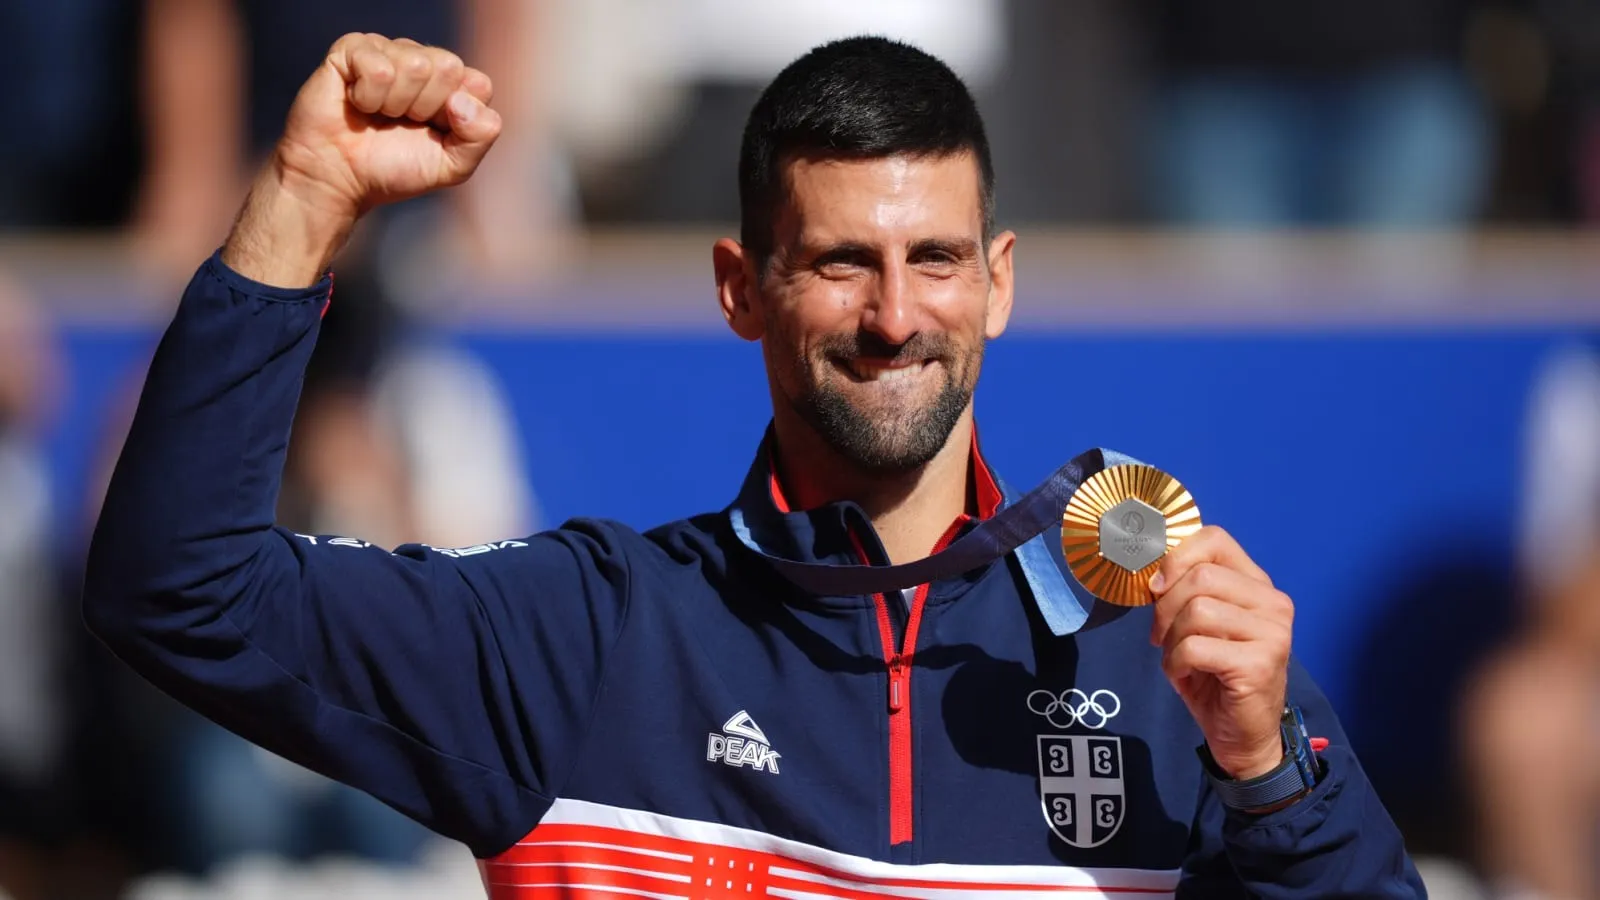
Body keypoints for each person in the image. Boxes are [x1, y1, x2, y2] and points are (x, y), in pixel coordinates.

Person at [82, 32, 1424, 897]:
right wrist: (300, 209)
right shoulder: (588, 637)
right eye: (843, 263)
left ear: (998, 282)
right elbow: (177, 589)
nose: (898, 316)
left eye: (936, 260)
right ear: (741, 287)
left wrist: (1265, 768)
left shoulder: (1167, 654)